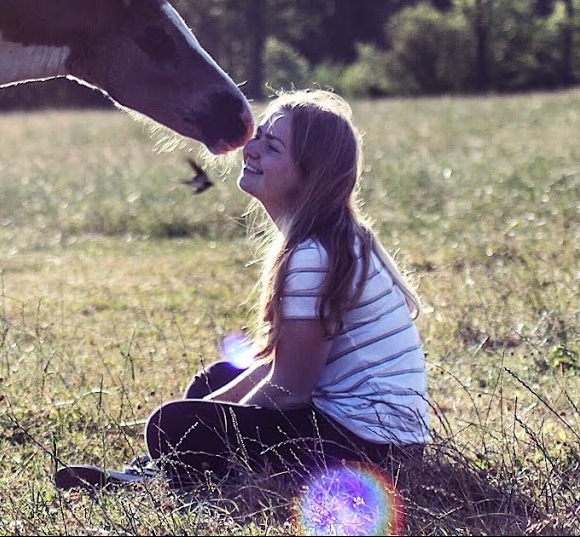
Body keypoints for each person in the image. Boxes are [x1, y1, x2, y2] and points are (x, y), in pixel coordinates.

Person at [55, 89, 431, 492]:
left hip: (367, 450)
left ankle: (174, 473)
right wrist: (213, 407)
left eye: (271, 146)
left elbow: (290, 389)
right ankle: (167, 470)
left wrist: (204, 424)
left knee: (174, 425)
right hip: (381, 440)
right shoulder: (330, 238)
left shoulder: (313, 256)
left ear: (309, 174)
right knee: (212, 382)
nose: (250, 149)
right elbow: (281, 371)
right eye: (259, 137)